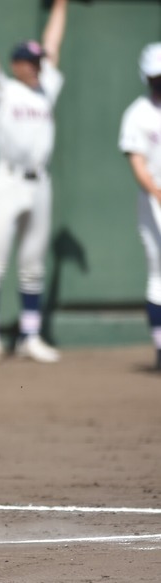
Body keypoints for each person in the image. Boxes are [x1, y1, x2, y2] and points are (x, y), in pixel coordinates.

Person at [0, 0, 68, 364]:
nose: (38, 67)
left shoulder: (46, 88)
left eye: (39, 62)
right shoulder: (3, 89)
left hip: (40, 183)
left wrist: (61, 6)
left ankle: (30, 337)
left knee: (33, 267)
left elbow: (53, 43)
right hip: (7, 181)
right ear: (17, 64)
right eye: (31, 62)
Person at [119, 43, 161, 372]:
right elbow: (138, 162)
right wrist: (157, 192)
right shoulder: (138, 113)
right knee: (158, 275)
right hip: (154, 200)